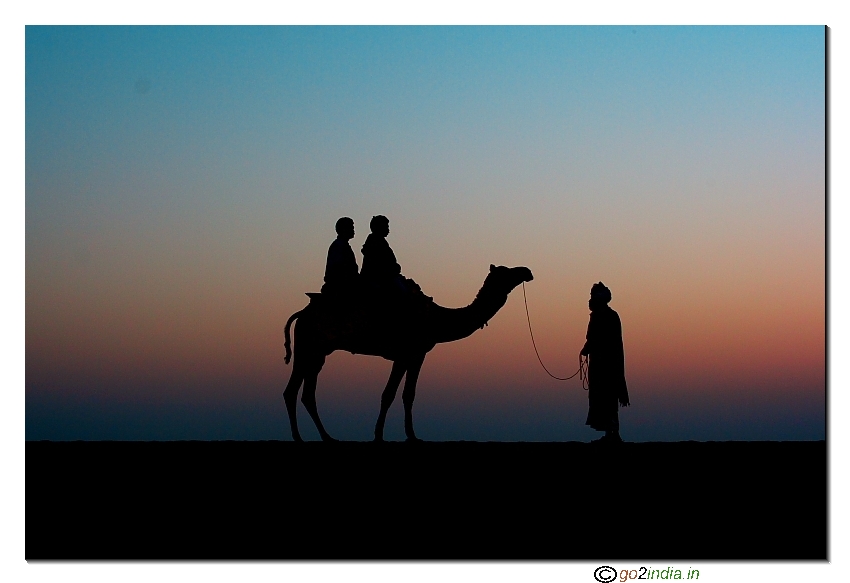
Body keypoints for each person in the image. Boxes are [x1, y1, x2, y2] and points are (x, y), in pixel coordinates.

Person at [580, 282, 629, 443]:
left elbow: (600, 338)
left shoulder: (606, 316)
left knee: (608, 398)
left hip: (606, 365)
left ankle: (613, 434)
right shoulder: (606, 315)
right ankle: (611, 433)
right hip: (601, 364)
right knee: (605, 398)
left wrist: (588, 347)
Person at [360, 215, 407, 294]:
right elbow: (379, 265)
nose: (388, 230)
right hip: (378, 280)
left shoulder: (381, 242)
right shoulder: (374, 243)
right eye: (386, 226)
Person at [321, 217, 359, 296]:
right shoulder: (339, 246)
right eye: (351, 228)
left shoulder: (342, 245)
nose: (353, 230)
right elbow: (340, 269)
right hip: (340, 286)